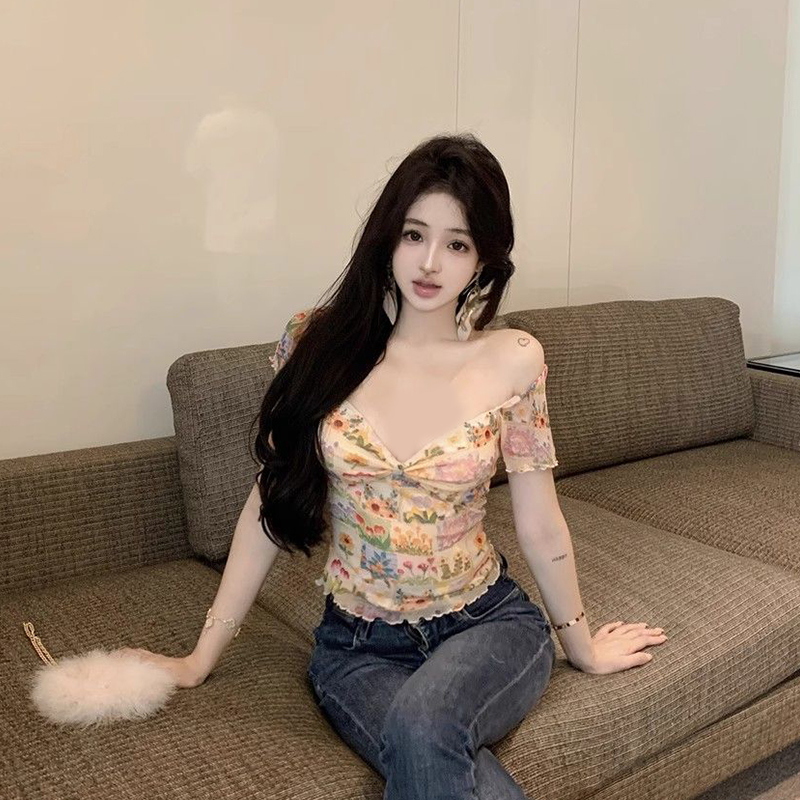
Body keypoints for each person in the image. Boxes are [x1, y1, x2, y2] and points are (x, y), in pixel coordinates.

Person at [123, 133, 667, 799]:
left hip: (489, 625)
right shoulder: (316, 343)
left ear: (484, 259)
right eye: (414, 235)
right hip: (356, 650)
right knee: (430, 741)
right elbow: (269, 502)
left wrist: (580, 646)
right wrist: (199, 657)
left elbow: (540, 523)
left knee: (423, 722)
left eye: (457, 244)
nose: (430, 262)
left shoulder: (513, 358)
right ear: (387, 237)